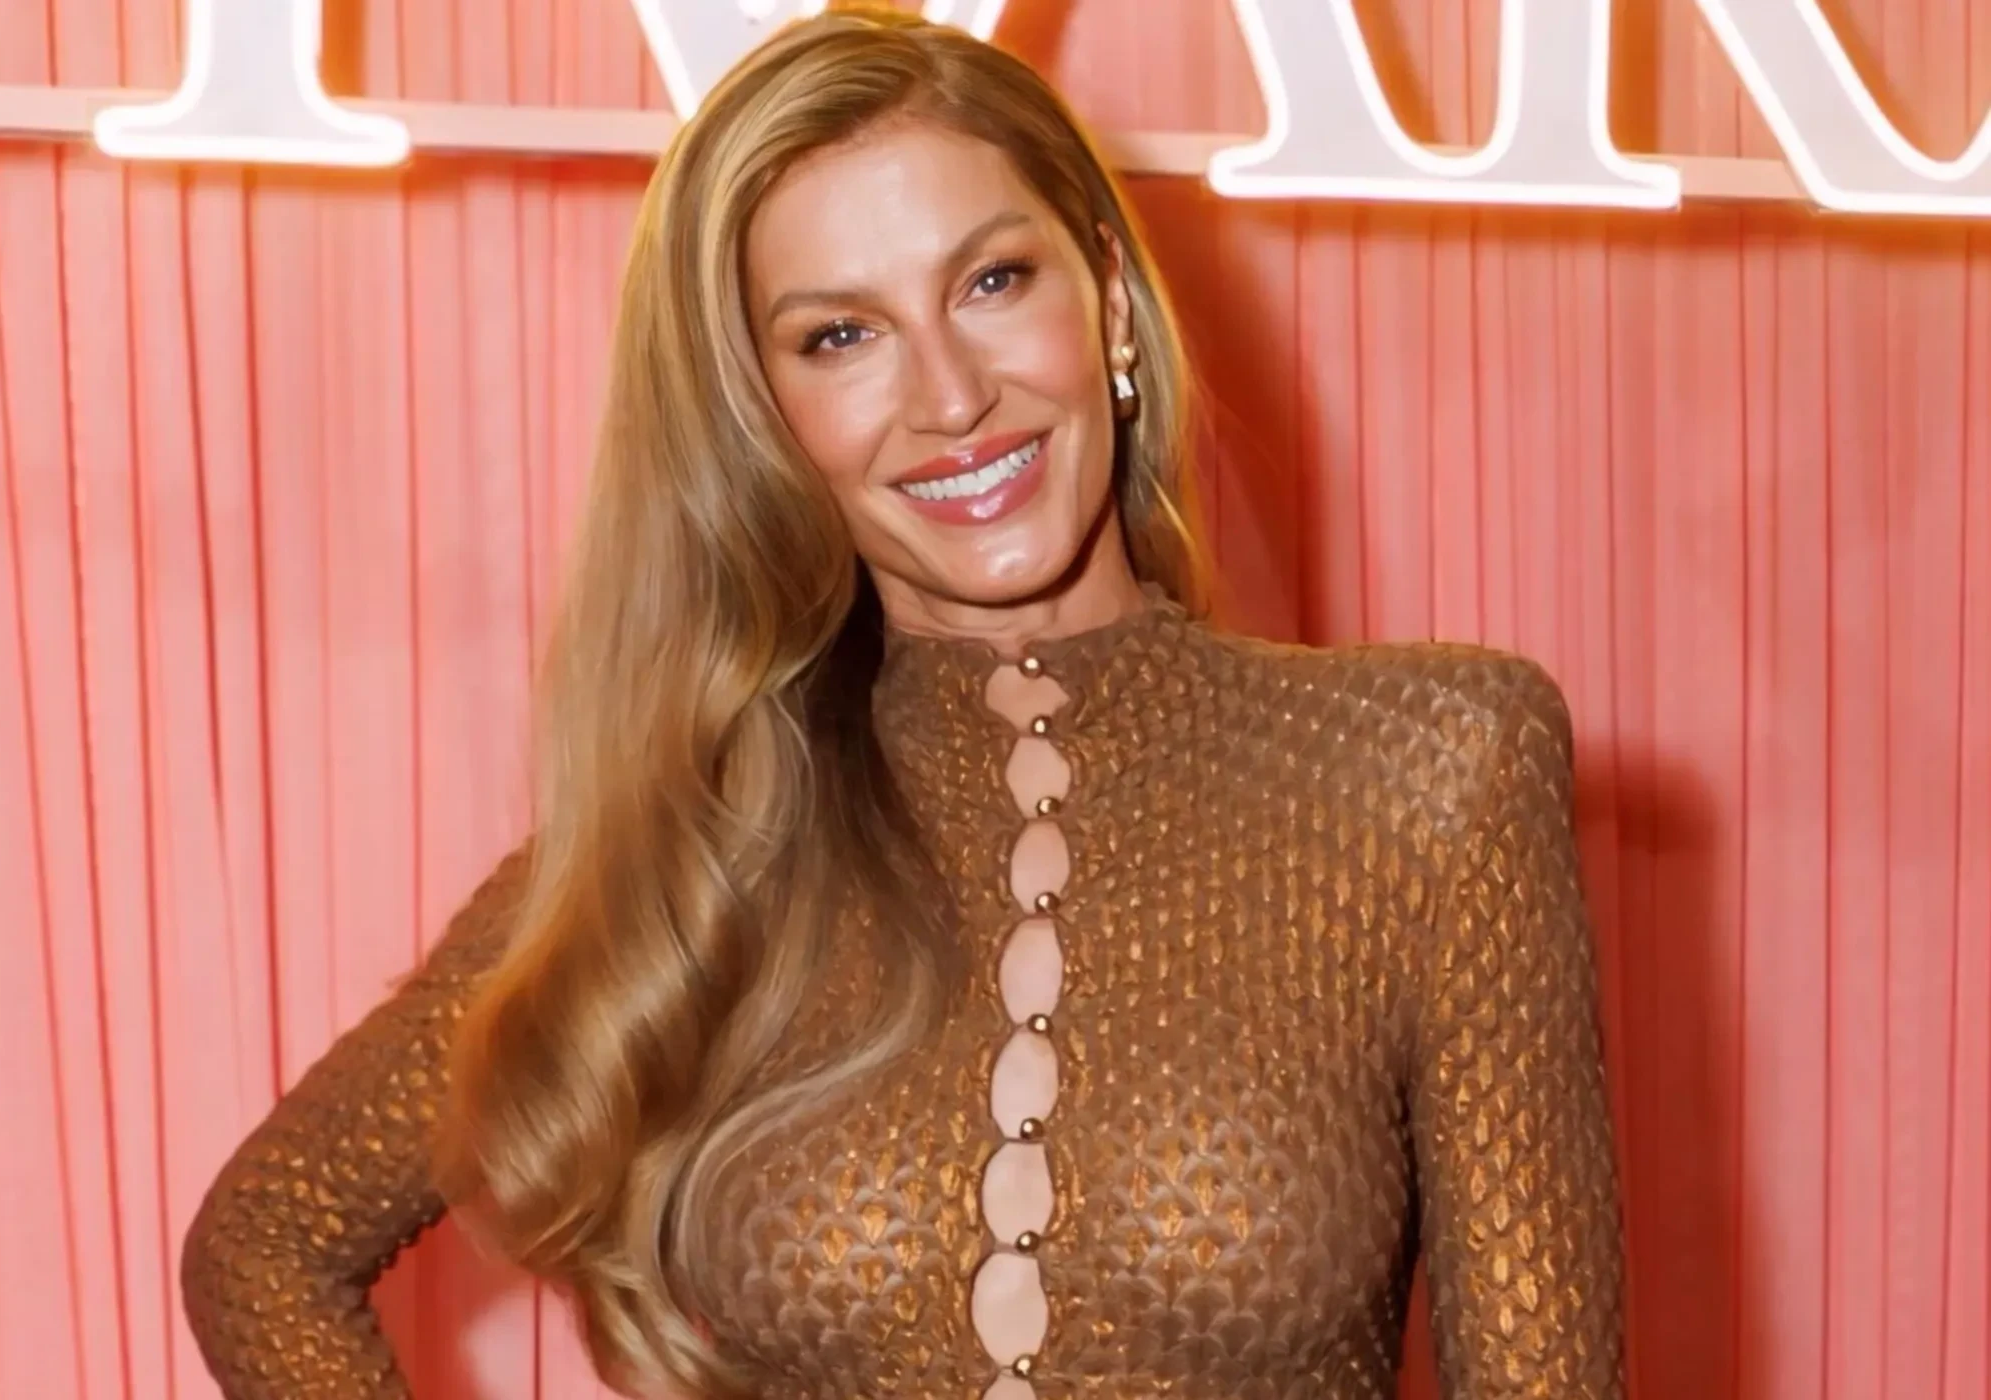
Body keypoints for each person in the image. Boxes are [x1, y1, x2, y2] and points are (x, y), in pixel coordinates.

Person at [179, 8, 1626, 1398]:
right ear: (762, 417)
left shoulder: (1428, 772)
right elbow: (265, 1245)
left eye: (992, 282)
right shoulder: (702, 846)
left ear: (1109, 298)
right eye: (839, 337)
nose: (948, 397)